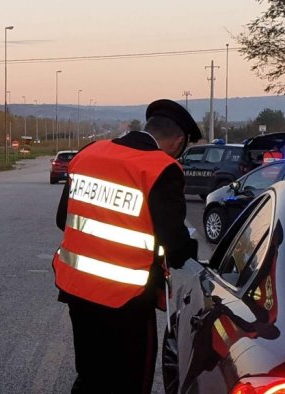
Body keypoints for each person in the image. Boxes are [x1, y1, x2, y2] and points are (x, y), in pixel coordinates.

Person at [53, 99, 200, 393]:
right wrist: (190, 248)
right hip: (126, 301)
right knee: (130, 383)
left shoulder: (89, 152)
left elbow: (62, 219)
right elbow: (174, 243)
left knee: (90, 376)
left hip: (77, 290)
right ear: (179, 142)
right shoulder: (161, 168)